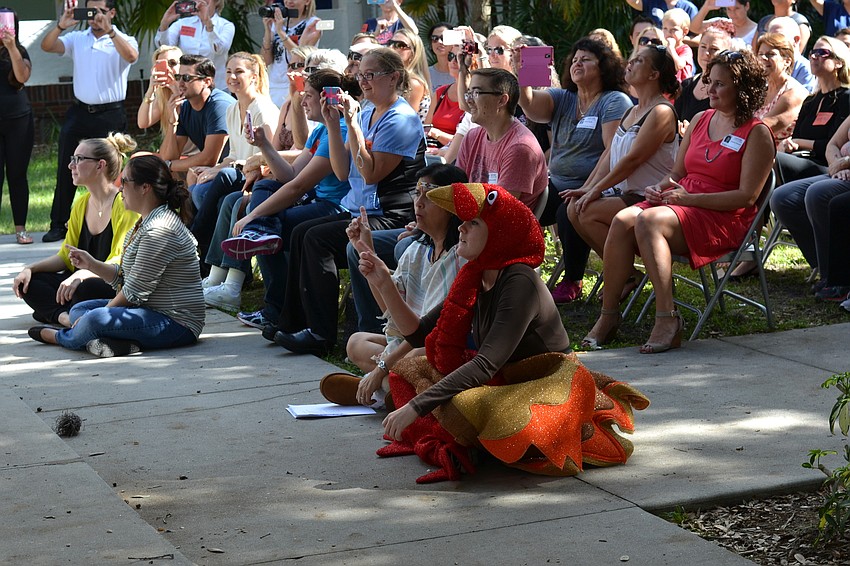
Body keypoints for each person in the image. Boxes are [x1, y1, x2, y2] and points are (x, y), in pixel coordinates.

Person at [355, 182, 648, 482]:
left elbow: (485, 364)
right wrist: (383, 283)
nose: (461, 229)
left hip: (548, 383)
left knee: (464, 404)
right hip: (505, 380)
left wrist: (417, 406)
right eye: (463, 223)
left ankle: (460, 439)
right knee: (403, 371)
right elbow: (418, 335)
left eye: (473, 223)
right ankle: (460, 438)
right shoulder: (475, 273)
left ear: (499, 232)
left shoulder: (519, 280)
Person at [582, 49, 774, 353]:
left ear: (742, 88)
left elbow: (747, 197)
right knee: (622, 220)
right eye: (710, 81)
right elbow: (677, 172)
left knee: (647, 220)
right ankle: (608, 316)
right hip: (683, 201)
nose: (709, 89)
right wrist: (659, 188)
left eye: (720, 84)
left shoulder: (758, 133)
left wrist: (689, 197)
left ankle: (667, 318)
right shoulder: (700, 119)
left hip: (723, 214)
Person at [271, 48, 425, 355]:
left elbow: (370, 175)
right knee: (303, 232)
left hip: (392, 213)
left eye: (370, 75)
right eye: (360, 76)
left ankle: (336, 332)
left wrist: (352, 125)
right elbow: (343, 173)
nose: (363, 83)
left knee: (322, 239)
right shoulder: (366, 111)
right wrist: (332, 123)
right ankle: (295, 322)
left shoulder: (401, 119)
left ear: (393, 77)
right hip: (362, 209)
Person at [215, 70, 357, 326]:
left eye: (309, 96)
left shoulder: (341, 130)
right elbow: (289, 176)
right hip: (316, 201)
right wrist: (263, 145)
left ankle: (275, 310)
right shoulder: (319, 132)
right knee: (264, 188)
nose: (302, 103)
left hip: (335, 208)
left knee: (273, 226)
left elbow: (299, 186)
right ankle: (260, 237)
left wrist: (254, 215)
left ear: (327, 99)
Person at [27, 155, 204, 358]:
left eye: (125, 181)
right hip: (147, 310)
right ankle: (123, 343)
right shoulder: (145, 222)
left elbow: (133, 292)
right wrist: (92, 264)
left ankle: (63, 337)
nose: (120, 188)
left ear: (145, 187)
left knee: (94, 319)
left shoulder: (159, 230)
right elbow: (124, 277)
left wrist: (97, 317)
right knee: (79, 310)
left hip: (177, 323)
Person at [320, 164, 467, 408]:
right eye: (417, 192)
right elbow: (393, 315)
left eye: (428, 195)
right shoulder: (417, 250)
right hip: (408, 340)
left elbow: (427, 334)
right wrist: (367, 255)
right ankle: (390, 390)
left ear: (451, 204)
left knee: (415, 356)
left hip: (434, 346)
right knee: (356, 342)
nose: (418, 203)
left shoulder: (460, 257)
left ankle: (380, 389)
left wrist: (381, 367)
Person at [518, 38, 632, 303]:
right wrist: (525, 71)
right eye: (575, 59)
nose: (577, 63)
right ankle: (513, 274)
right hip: (556, 182)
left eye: (586, 59)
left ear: (603, 67)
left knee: (566, 211)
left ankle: (573, 279)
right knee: (520, 207)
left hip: (600, 185)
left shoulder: (614, 100)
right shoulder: (563, 98)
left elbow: (611, 152)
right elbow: (530, 105)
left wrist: (589, 188)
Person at [567, 44, 680, 305]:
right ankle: (627, 273)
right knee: (574, 207)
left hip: (649, 197)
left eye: (638, 61)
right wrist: (588, 186)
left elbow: (633, 160)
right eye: (631, 59)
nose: (629, 64)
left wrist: (596, 190)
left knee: (587, 211)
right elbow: (610, 155)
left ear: (654, 74)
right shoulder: (632, 110)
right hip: (627, 194)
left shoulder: (661, 111)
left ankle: (627, 273)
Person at [13, 134, 139, 327]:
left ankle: (54, 313)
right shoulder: (81, 204)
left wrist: (82, 274)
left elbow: (120, 262)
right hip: (75, 281)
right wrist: (30, 269)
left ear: (100, 165)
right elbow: (65, 256)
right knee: (30, 283)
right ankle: (65, 317)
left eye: (79, 159)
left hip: (108, 283)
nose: (71, 165)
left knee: (85, 288)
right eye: (73, 159)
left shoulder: (124, 204)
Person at [40, 0, 139, 243]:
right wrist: (61, 25)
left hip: (111, 113)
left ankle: (115, 220)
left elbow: (132, 56)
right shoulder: (78, 38)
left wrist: (110, 31)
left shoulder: (123, 39)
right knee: (68, 165)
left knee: (112, 170)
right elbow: (47, 46)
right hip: (80, 111)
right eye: (90, 11)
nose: (94, 17)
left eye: (100, 11)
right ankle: (58, 223)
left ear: (112, 12)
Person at [187, 52, 279, 265]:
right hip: (237, 174)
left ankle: (195, 238)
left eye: (239, 72)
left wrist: (221, 170)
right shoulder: (232, 109)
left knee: (224, 178)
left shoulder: (262, 109)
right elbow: (233, 155)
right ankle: (204, 259)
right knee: (196, 186)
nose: (232, 77)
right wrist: (213, 168)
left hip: (256, 178)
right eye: (229, 72)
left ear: (254, 77)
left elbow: (268, 156)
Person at [771, 113, 850, 297]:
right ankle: (825, 266)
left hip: (845, 172)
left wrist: (845, 163)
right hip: (839, 172)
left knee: (817, 194)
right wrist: (836, 165)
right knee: (782, 198)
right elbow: (832, 145)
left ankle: (838, 278)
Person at [456, 68, 547, 210]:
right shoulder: (472, 137)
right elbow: (455, 190)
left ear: (502, 100)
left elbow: (499, 210)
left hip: (496, 228)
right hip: (470, 223)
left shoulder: (520, 147)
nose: (469, 100)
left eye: (476, 93)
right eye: (469, 93)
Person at [774, 36, 850, 186]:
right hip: (800, 159)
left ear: (839, 62)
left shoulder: (846, 98)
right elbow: (795, 137)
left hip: (826, 165)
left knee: (772, 159)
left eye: (822, 52)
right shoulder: (810, 101)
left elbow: (831, 144)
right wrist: (788, 144)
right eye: (812, 52)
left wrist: (796, 142)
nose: (814, 56)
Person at [159, 54, 234, 177]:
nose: (180, 83)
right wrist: (173, 121)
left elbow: (209, 159)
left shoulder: (219, 105)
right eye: (178, 77)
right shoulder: (184, 107)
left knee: (191, 174)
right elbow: (168, 156)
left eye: (187, 78)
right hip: (211, 170)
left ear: (207, 81)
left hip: (234, 168)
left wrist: (168, 165)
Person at [0, 7, 33, 244]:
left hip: (18, 121)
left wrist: (11, 47)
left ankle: (20, 228)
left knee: (17, 174)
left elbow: (22, 77)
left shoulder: (19, 51)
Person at [155, 0, 234, 92]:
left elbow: (220, 49)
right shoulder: (182, 23)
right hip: (186, 86)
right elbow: (165, 48)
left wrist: (208, 24)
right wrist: (165, 23)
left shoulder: (226, 25)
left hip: (217, 87)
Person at [260, 0, 322, 106]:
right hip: (274, 84)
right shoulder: (278, 23)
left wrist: (281, 32)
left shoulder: (313, 23)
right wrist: (268, 30)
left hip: (297, 82)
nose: (289, 1)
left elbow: (301, 56)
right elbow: (265, 60)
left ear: (307, 1)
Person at [675, 23, 734, 130]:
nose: (706, 53)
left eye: (714, 49)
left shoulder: (730, 90)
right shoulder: (686, 85)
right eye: (703, 47)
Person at [754, 33, 808, 142]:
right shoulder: (760, 89)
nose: (763, 58)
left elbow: (765, 127)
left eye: (770, 54)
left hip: (779, 154)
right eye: (760, 54)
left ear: (787, 61)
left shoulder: (793, 92)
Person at [423, 44, 465, 151]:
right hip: (431, 154)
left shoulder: (475, 97)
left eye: (460, 57)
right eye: (451, 56)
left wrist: (437, 134)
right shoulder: (441, 92)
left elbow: (467, 143)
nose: (453, 61)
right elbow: (426, 130)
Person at [388, 29, 431, 122]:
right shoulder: (392, 78)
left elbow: (407, 121)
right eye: (390, 43)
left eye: (400, 45)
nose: (391, 48)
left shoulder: (413, 83)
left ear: (413, 53)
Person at [764, 16, 816, 92]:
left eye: (779, 37)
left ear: (796, 40)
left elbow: (804, 101)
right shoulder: (765, 63)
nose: (773, 42)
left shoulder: (805, 68)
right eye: (770, 38)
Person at [137, 45, 182, 132]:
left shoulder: (192, 90)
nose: (168, 68)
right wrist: (150, 91)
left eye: (172, 63)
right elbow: (143, 123)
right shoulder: (163, 96)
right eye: (162, 65)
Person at [691, 0, 758, 48]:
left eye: (737, 8)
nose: (733, 13)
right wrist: (706, 7)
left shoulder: (757, 30)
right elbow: (694, 28)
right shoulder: (721, 24)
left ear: (746, 6)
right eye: (729, 9)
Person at [662, 8, 694, 82]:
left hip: (683, 89)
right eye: (665, 28)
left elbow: (679, 65)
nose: (668, 33)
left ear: (685, 31)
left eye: (673, 30)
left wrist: (671, 49)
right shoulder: (664, 49)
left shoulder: (685, 50)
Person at [625, 0, 698, 28]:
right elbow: (632, 1)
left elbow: (699, 39)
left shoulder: (689, 8)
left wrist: (676, 36)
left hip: (678, 54)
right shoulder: (652, 2)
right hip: (653, 53)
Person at [426, 22, 453, 90]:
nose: (439, 42)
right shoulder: (426, 74)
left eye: (444, 38)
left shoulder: (462, 72)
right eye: (435, 38)